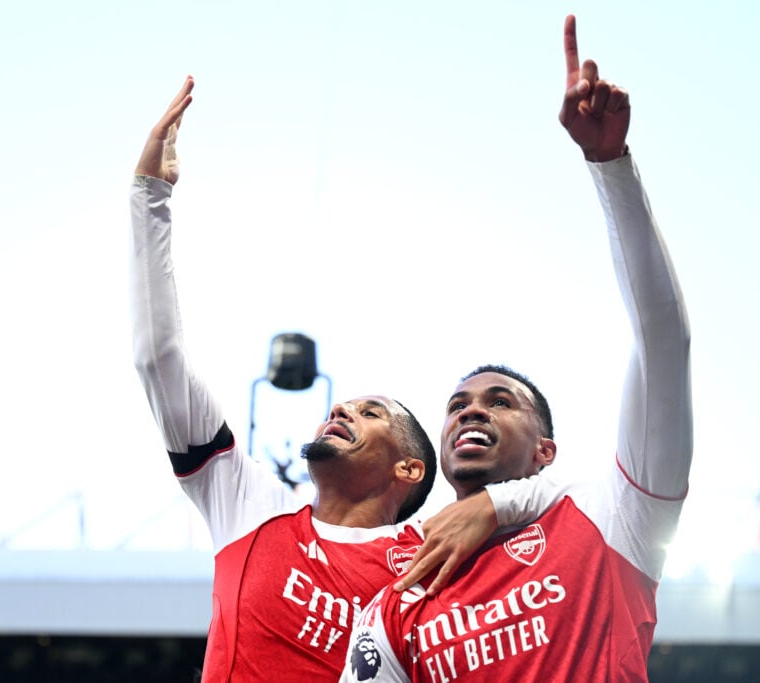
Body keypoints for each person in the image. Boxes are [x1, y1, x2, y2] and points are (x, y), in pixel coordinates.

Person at [130, 78, 552, 681]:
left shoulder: (436, 560)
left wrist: (497, 501)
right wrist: (149, 197)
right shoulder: (248, 507)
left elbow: (581, 506)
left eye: (372, 412)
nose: (344, 412)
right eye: (346, 407)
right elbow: (157, 359)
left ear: (408, 468)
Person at [340, 15, 693, 683]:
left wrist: (609, 166)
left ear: (544, 451)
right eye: (457, 405)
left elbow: (663, 339)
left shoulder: (612, 517)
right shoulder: (393, 606)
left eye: (499, 402)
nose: (470, 412)